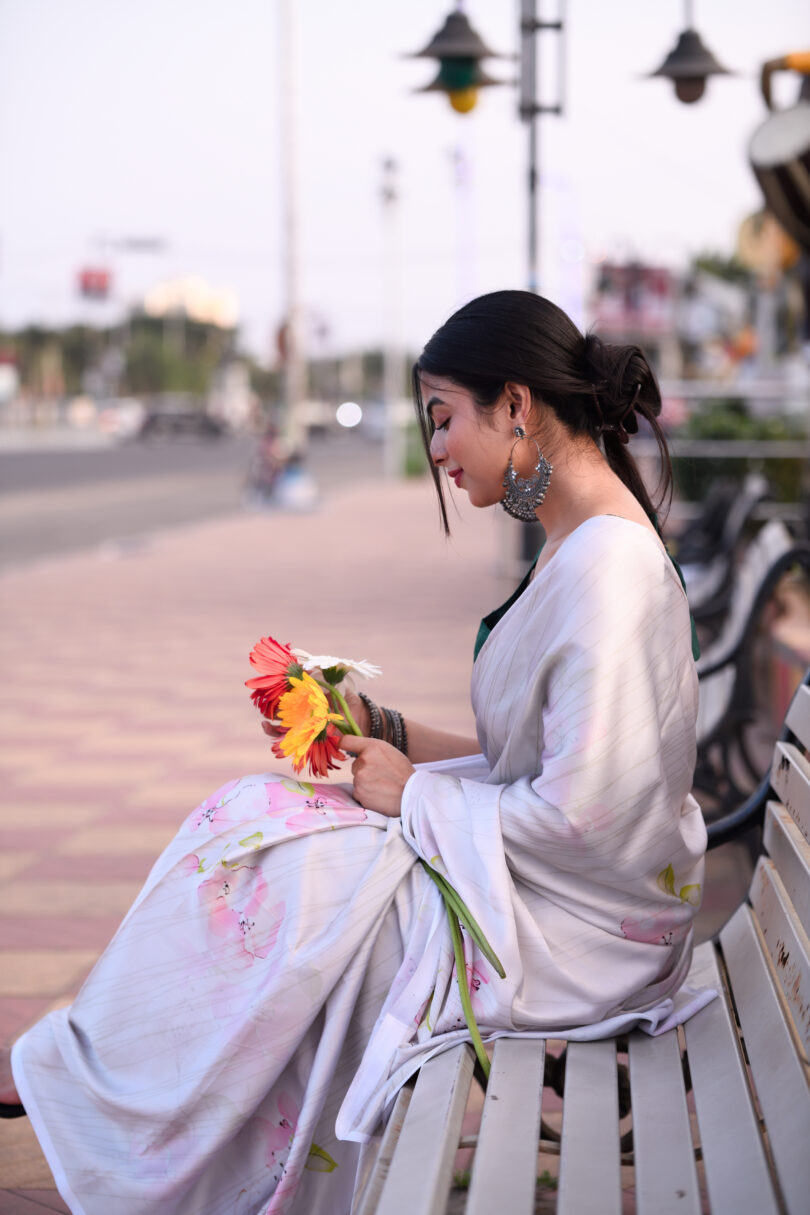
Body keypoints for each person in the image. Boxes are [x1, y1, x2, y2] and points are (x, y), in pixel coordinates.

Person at [1, 290, 711, 1215]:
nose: (441, 451)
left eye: (445, 418)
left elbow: (587, 824)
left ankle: (96, 1097)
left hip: (588, 930)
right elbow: (532, 767)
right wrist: (387, 730)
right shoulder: (575, 542)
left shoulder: (606, 572)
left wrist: (413, 790)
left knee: (289, 878)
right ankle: (90, 1082)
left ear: (517, 405)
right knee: (260, 821)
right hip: (546, 889)